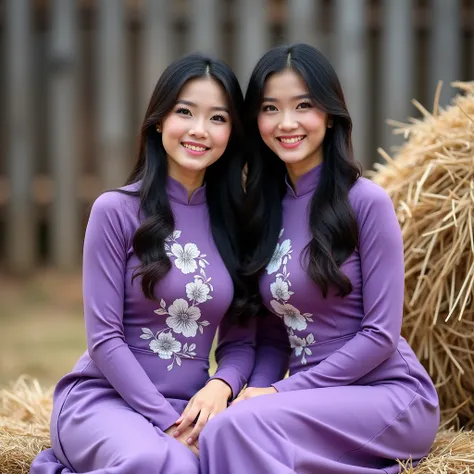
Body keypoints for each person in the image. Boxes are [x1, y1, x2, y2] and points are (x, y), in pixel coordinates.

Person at [198, 43, 440, 474]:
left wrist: (278, 395)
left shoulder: (366, 203)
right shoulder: (264, 211)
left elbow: (381, 335)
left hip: (386, 395)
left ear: (329, 115)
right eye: (270, 108)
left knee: (233, 430)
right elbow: (272, 335)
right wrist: (256, 389)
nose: (286, 123)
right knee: (227, 428)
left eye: (303, 106)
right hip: (313, 399)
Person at [30, 52, 255, 474]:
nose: (198, 130)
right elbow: (104, 338)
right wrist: (168, 423)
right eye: (184, 112)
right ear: (157, 121)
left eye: (217, 118)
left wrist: (221, 385)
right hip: (104, 399)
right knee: (160, 462)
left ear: (232, 133)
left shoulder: (237, 226)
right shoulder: (115, 210)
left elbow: (241, 341)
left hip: (188, 407)